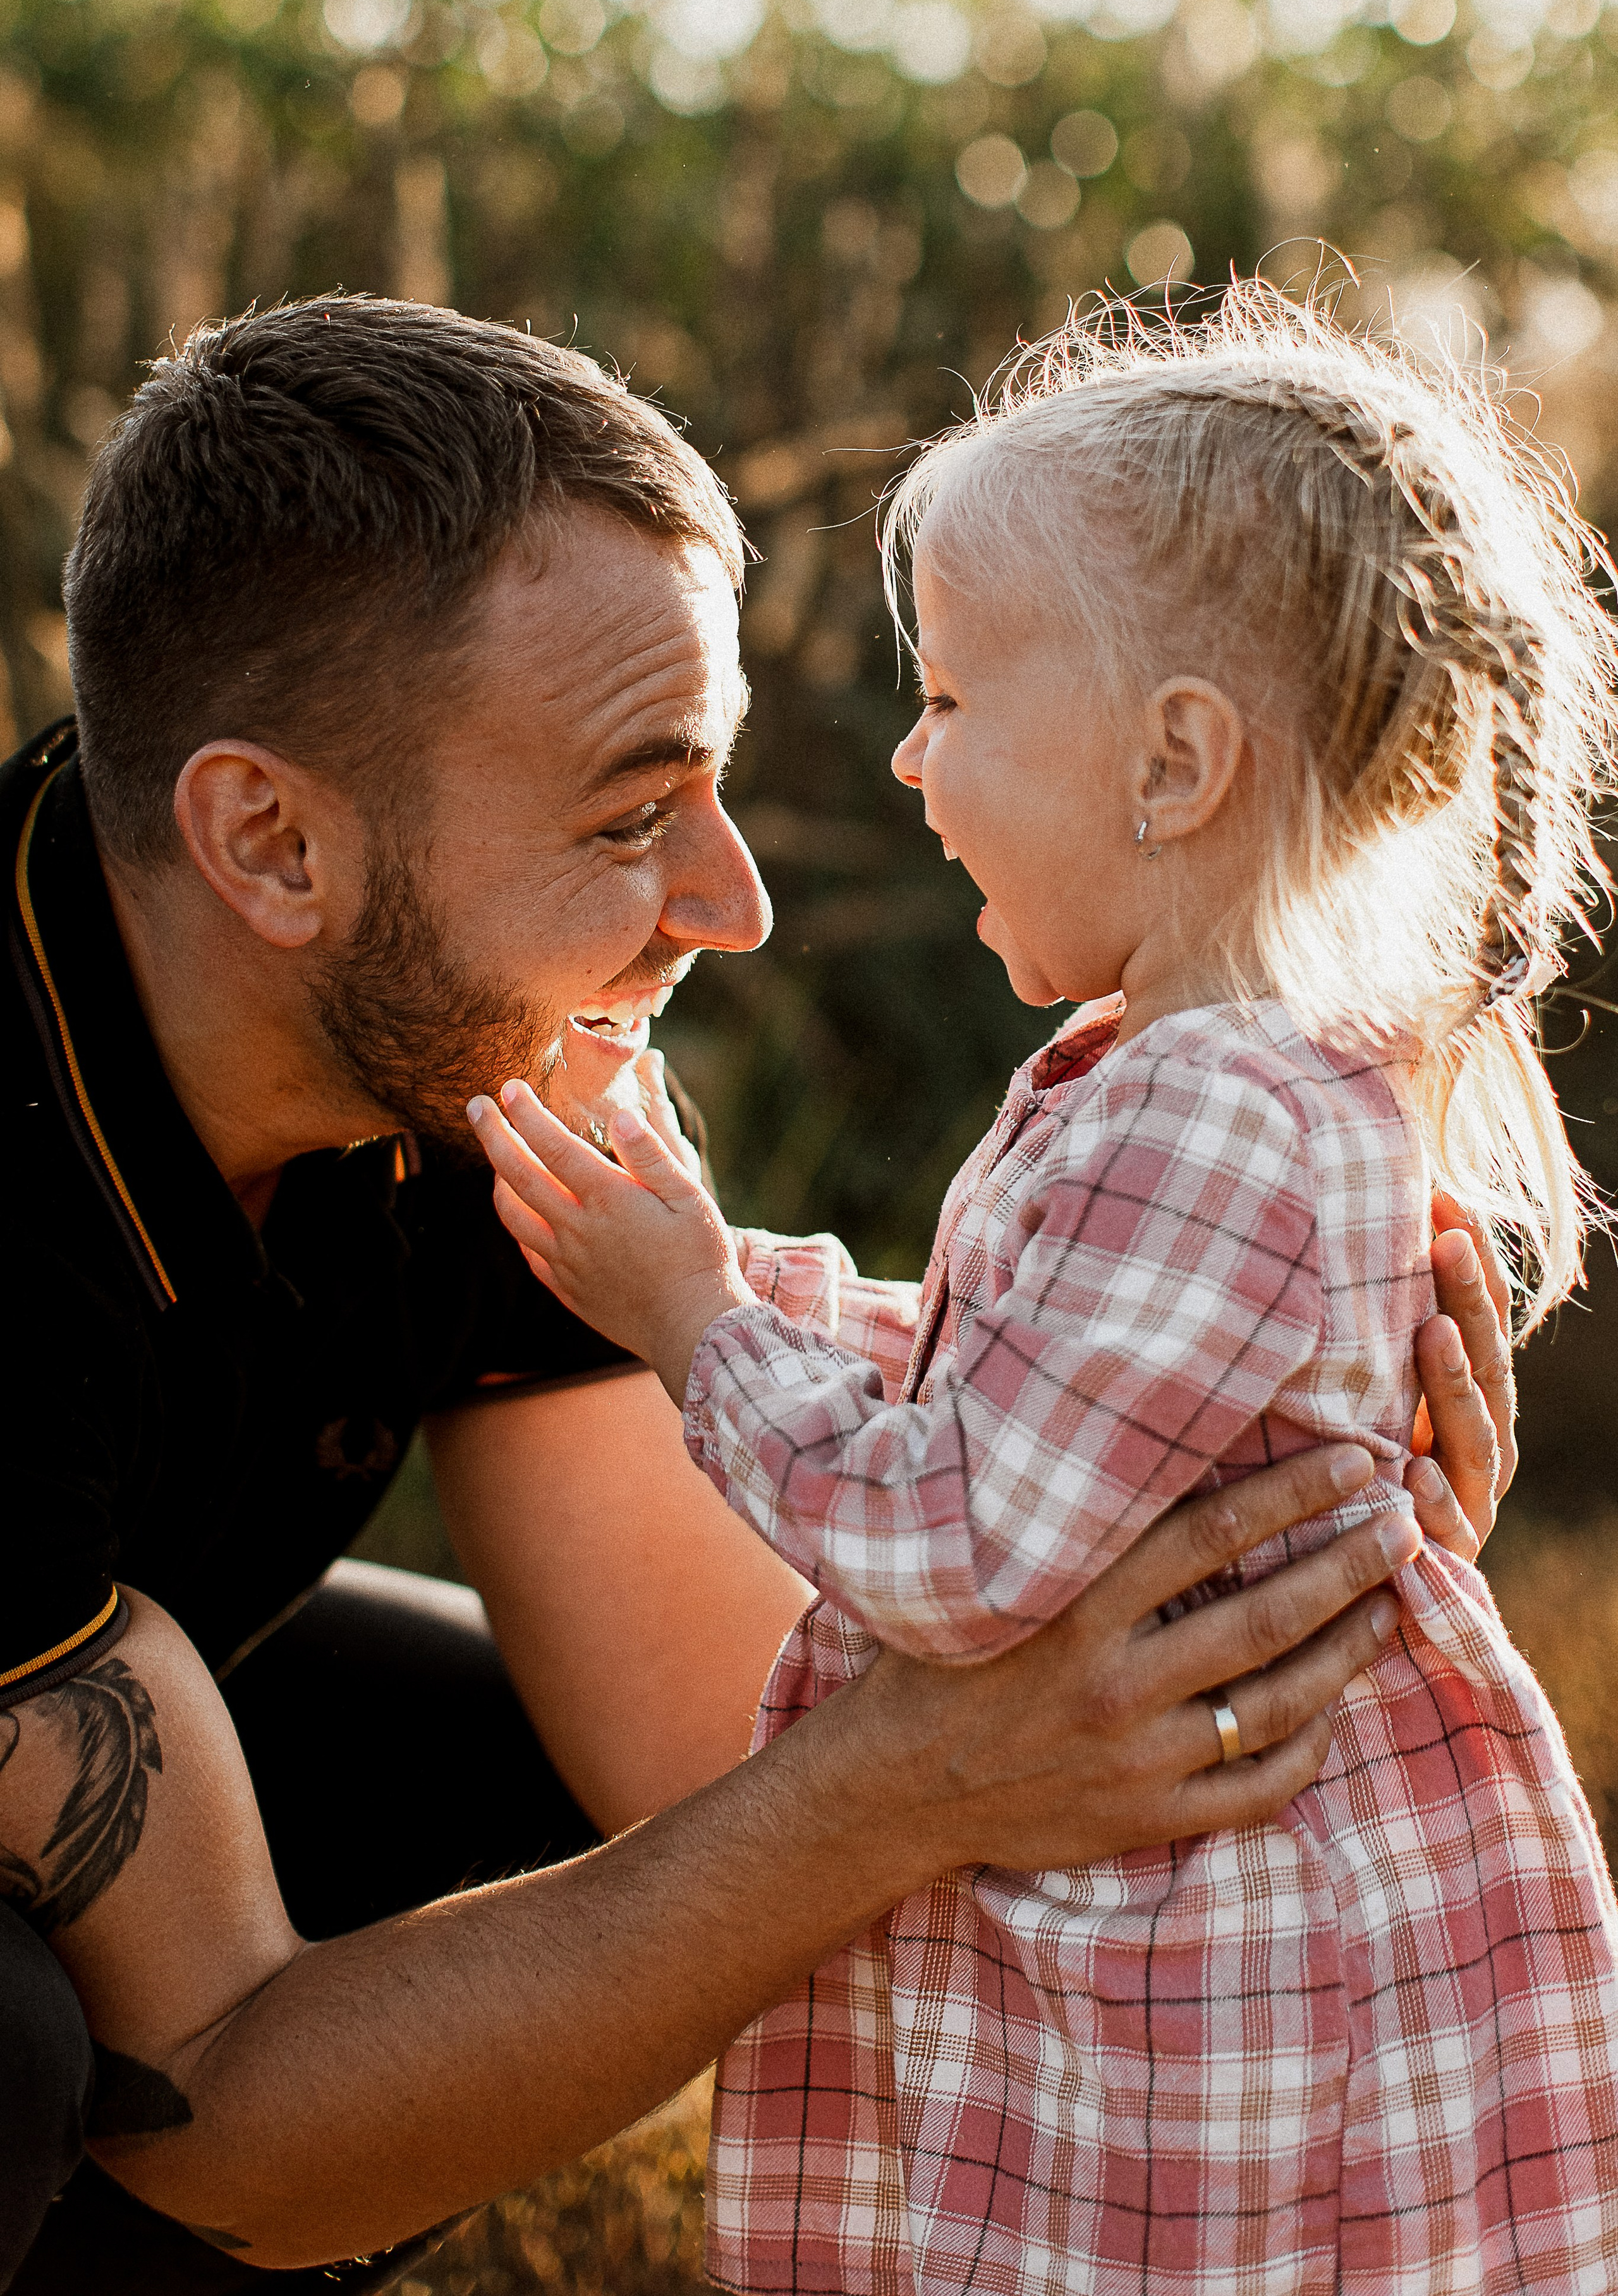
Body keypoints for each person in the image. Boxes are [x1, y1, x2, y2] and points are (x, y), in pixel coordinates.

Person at [0, 297, 1509, 2296]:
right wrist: (889, 1792)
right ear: (268, 840)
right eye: (633, 814)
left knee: (594, 1821)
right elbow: (229, 2098)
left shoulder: (461, 1040)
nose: (733, 902)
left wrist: (1217, 1457)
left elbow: (717, 1751)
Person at [466, 284, 1617, 2294]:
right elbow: (1024, 1391)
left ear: (1176, 763)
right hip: (1195, 1898)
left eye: (958, 703)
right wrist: (723, 1261)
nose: (912, 763)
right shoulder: (1221, 1079)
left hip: (1196, 1968)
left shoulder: (1219, 1111)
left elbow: (969, 1538)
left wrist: (694, 1330)